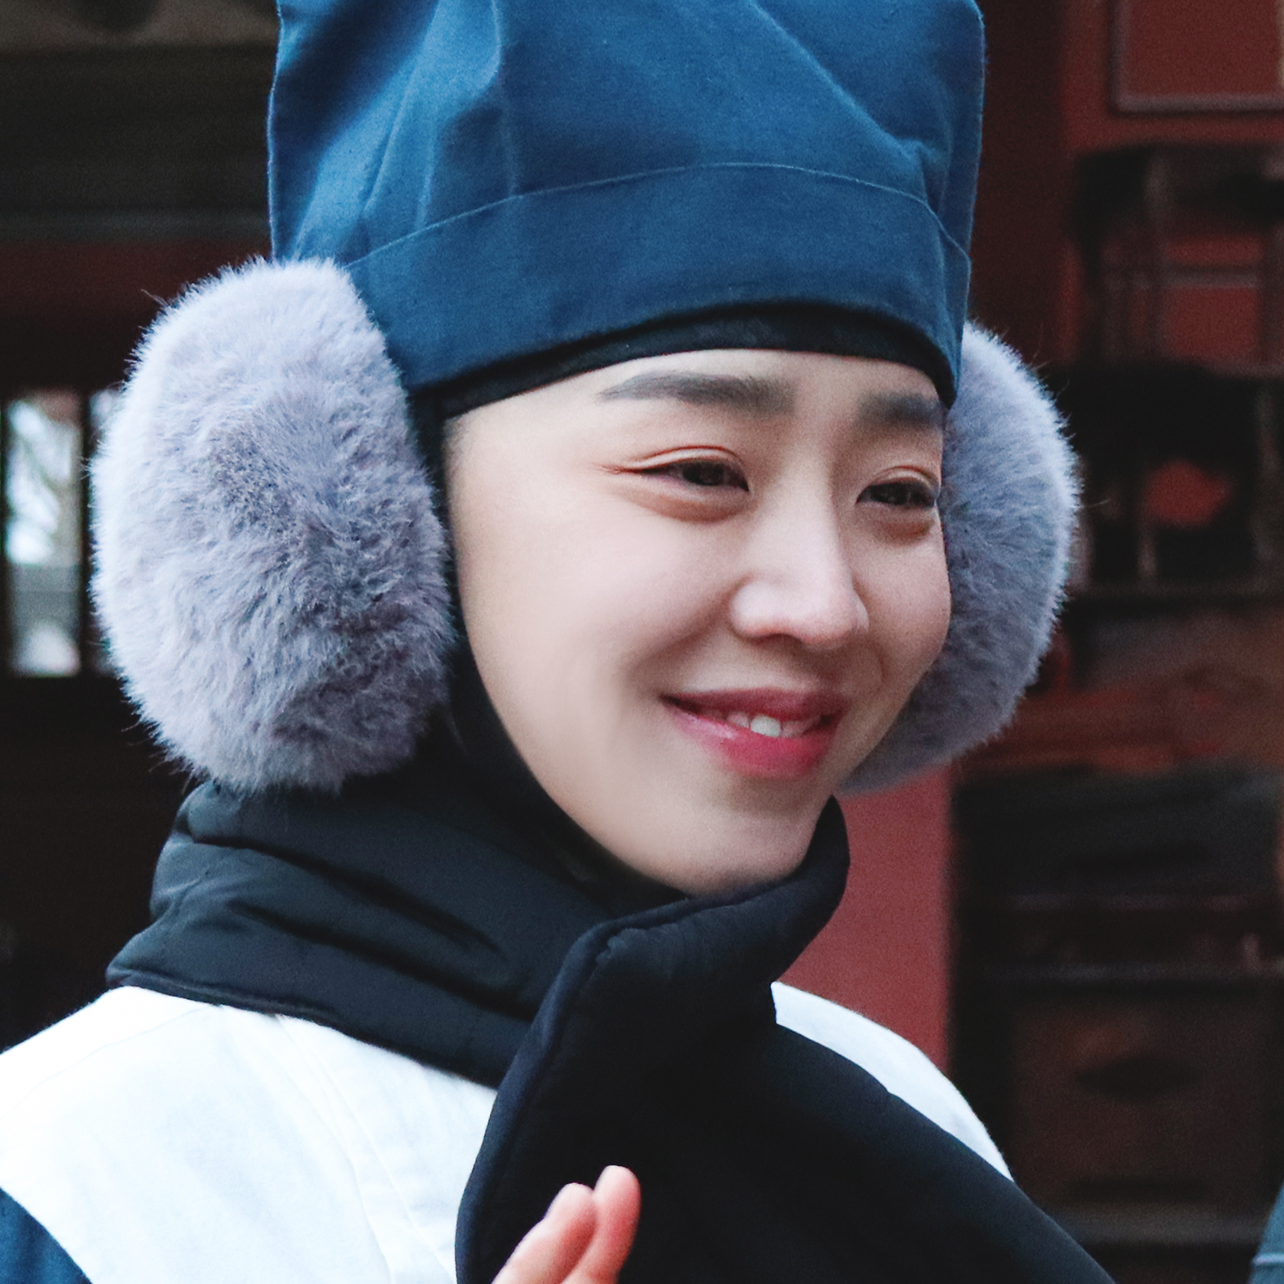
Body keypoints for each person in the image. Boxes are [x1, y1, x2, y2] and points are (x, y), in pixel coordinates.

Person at [0, 2, 1110, 1281]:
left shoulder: (909, 1124)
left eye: (901, 493)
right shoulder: (78, 1192)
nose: (826, 605)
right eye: (701, 471)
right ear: (358, 516)